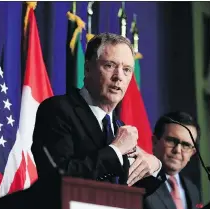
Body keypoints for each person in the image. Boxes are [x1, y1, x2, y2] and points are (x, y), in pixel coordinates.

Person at [32, 33, 161, 186]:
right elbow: (59, 177)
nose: (118, 76)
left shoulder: (119, 127)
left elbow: (131, 191)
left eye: (126, 69)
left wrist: (155, 166)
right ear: (87, 69)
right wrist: (115, 150)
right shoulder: (57, 110)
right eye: (109, 65)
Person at [143, 111, 202, 209]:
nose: (177, 150)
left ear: (192, 152)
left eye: (186, 145)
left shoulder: (193, 189)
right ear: (155, 142)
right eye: (171, 141)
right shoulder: (140, 183)